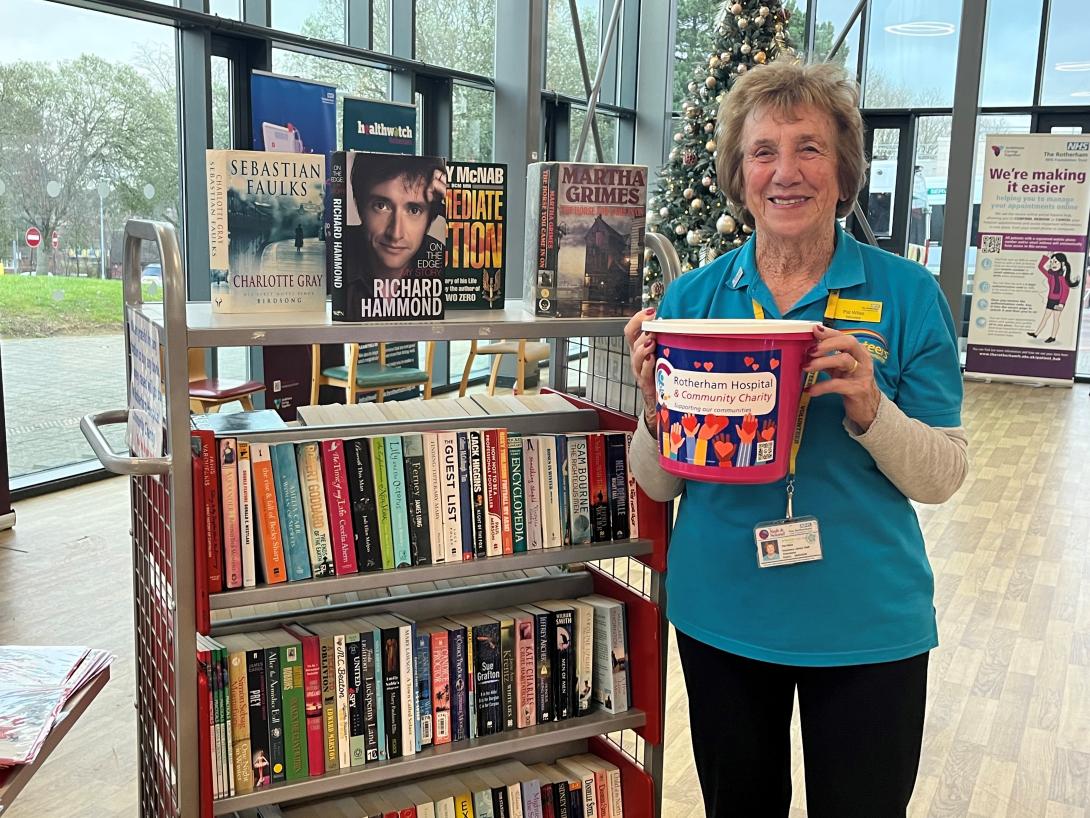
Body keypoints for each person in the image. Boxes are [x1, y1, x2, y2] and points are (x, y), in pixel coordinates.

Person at [624, 60, 968, 817]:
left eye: (809, 147)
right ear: (739, 174)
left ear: (842, 170)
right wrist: (655, 408)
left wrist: (873, 410)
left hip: (867, 622)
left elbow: (943, 475)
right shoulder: (694, 299)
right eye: (764, 151)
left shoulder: (907, 295)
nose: (786, 172)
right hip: (724, 614)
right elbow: (656, 482)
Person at [342, 152, 447, 320]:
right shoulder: (334, 258)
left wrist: (456, 206)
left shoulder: (442, 259)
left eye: (414, 210)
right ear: (358, 204)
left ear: (431, 217)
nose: (395, 233)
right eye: (381, 206)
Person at [1028, 251, 1080, 343]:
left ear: (1062, 264)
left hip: (1059, 302)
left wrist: (1061, 303)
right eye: (1051, 262)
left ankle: (1053, 337)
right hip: (1051, 300)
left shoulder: (1063, 278)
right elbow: (1040, 267)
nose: (1052, 264)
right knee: (1045, 317)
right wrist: (1047, 257)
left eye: (1055, 262)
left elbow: (1065, 292)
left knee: (1056, 319)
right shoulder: (1050, 275)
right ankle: (1036, 334)